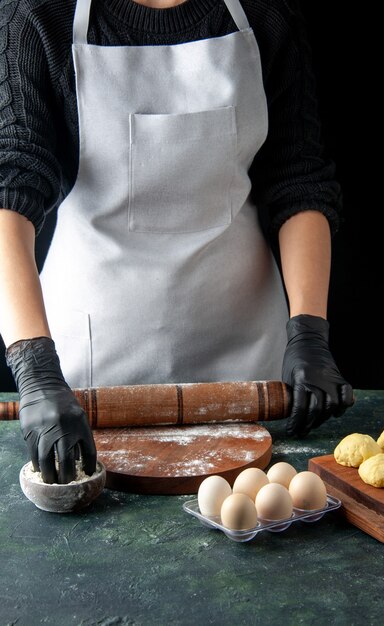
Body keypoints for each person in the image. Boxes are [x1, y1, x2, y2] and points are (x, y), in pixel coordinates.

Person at [0, 0, 353, 484]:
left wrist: (310, 331)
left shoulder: (267, 13)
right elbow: (9, 200)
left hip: (247, 360)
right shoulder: (39, 17)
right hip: (92, 369)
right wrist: (33, 365)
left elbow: (299, 180)